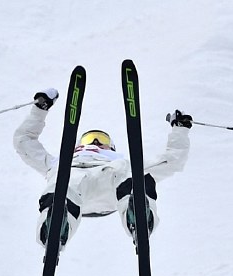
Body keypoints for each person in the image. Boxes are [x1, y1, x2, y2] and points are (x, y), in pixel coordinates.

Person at [13, 88, 191, 248]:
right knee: (62, 181)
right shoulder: (61, 161)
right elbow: (24, 142)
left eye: (102, 140)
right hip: (72, 193)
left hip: (111, 186)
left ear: (111, 147)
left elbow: (172, 160)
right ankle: (55, 226)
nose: (96, 141)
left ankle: (138, 216)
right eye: (89, 139)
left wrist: (180, 130)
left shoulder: (120, 161)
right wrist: (38, 111)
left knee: (135, 175)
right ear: (78, 145)